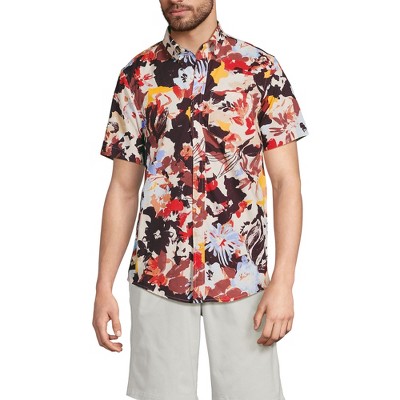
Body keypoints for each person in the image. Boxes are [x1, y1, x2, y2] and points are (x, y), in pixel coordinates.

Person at [92, 0, 310, 399]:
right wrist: (103, 286)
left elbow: (286, 184)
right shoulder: (137, 76)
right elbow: (122, 189)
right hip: (158, 276)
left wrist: (284, 281)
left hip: (242, 277)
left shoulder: (259, 69)